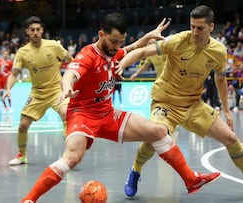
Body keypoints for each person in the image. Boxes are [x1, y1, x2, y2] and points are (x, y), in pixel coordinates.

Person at [20, 13, 221, 203]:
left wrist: (149, 36)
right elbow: (70, 74)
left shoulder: (114, 51)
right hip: (83, 115)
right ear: (101, 35)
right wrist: (66, 89)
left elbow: (131, 48)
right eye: (113, 41)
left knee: (158, 131)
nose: (118, 47)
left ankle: (191, 180)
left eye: (120, 42)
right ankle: (29, 199)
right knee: (72, 158)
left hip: (107, 115)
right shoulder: (87, 56)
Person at [116, 5, 243, 198]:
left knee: (231, 139)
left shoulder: (218, 51)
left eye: (199, 28)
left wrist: (226, 110)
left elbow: (220, 78)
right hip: (165, 103)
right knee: (156, 137)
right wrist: (120, 66)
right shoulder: (178, 41)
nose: (194, 31)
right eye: (192, 26)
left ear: (211, 27)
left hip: (193, 104)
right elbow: (142, 52)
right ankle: (135, 171)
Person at [2, 16, 73, 166]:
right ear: (27, 32)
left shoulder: (53, 46)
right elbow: (14, 74)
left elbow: (71, 61)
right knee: (23, 125)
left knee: (67, 114)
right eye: (32, 30)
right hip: (37, 93)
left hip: (56, 90)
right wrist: (8, 89)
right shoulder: (23, 52)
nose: (35, 32)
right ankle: (22, 156)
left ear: (42, 31)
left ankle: (69, 156)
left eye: (38, 30)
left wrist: (74, 79)